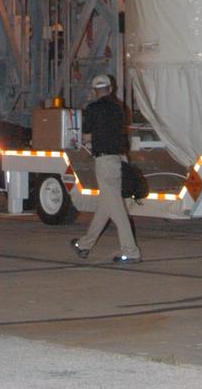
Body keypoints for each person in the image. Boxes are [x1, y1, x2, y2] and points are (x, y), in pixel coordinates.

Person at [70, 74, 141, 263]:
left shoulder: (93, 109)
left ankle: (130, 250)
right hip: (117, 159)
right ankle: (84, 245)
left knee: (116, 208)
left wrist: (91, 138)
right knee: (105, 206)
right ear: (111, 88)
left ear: (95, 91)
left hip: (103, 162)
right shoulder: (119, 108)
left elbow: (85, 137)